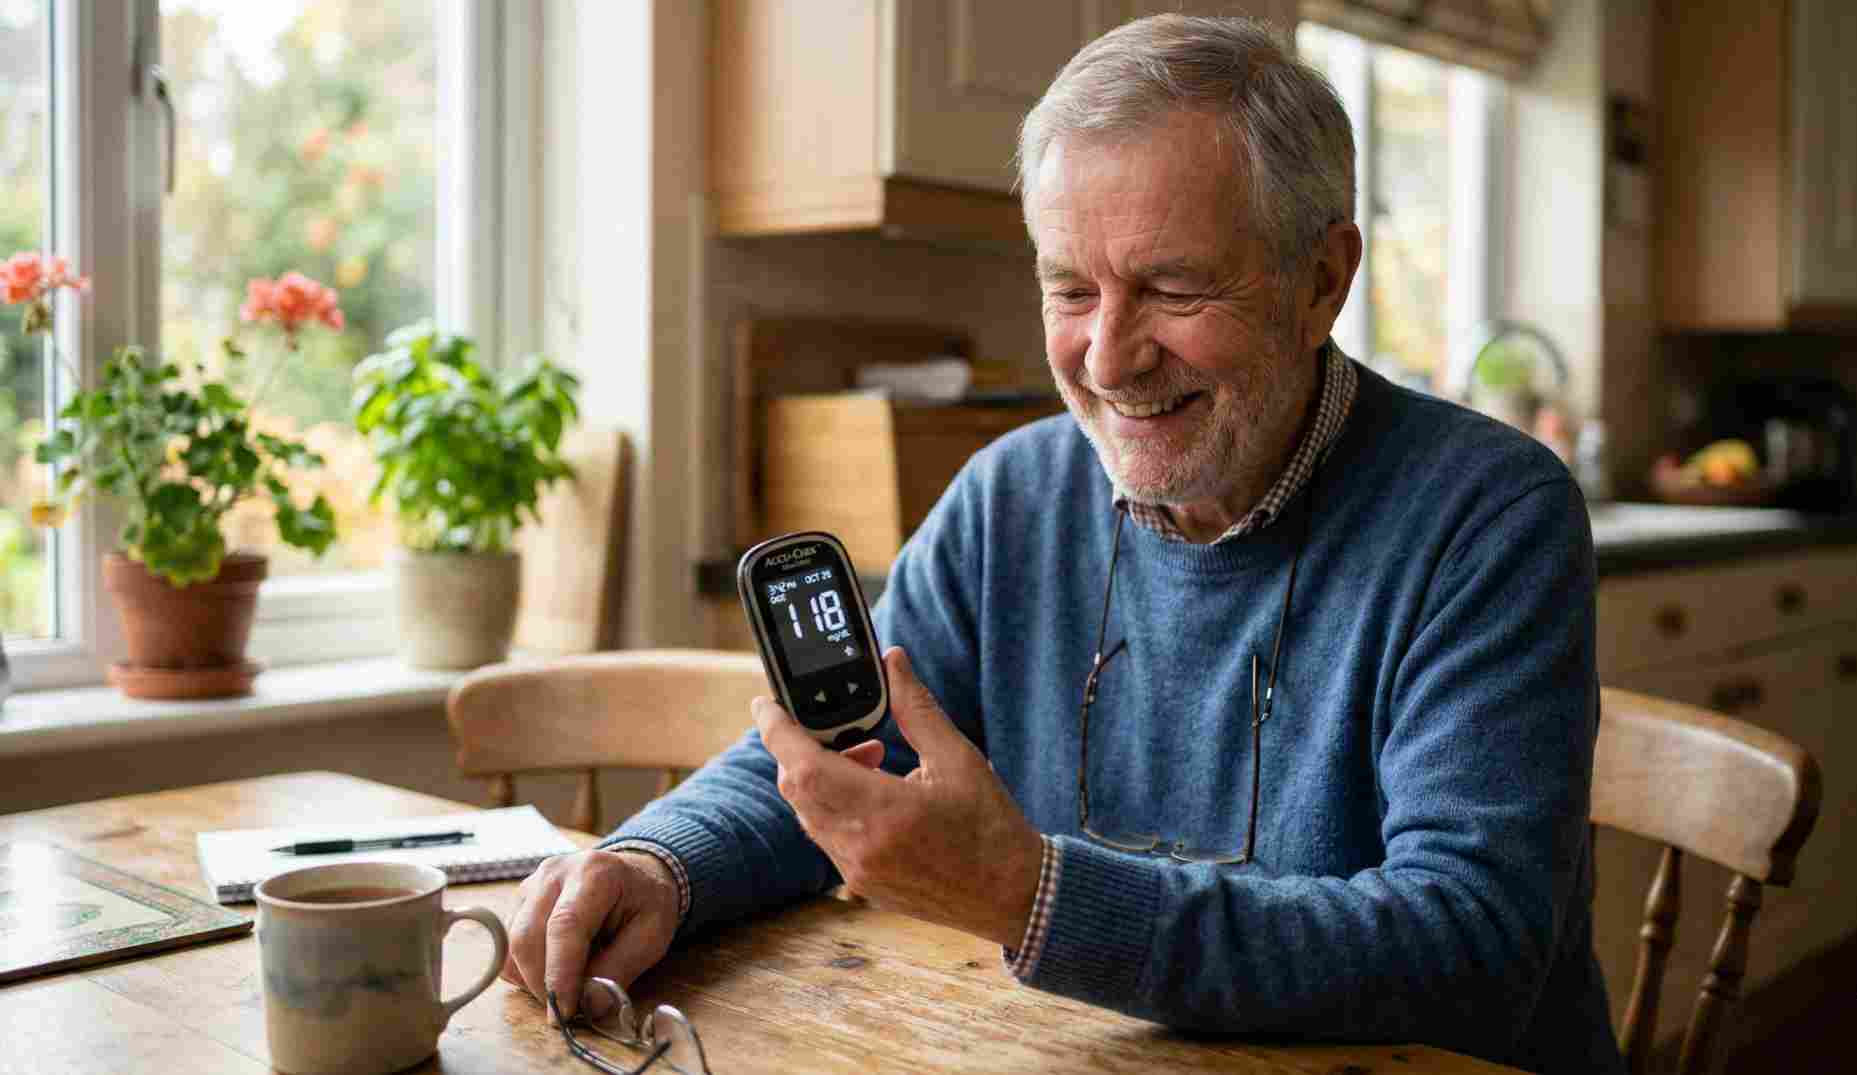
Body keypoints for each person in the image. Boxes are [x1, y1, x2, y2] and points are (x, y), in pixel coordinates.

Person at [501, 14, 1621, 1073]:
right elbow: (841, 759)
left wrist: (1028, 894)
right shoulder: (1013, 494)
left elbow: (1473, 945)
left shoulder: (1490, 512)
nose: (1108, 356)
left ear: (1322, 279)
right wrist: (658, 863)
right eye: (1070, 288)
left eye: (1173, 287)